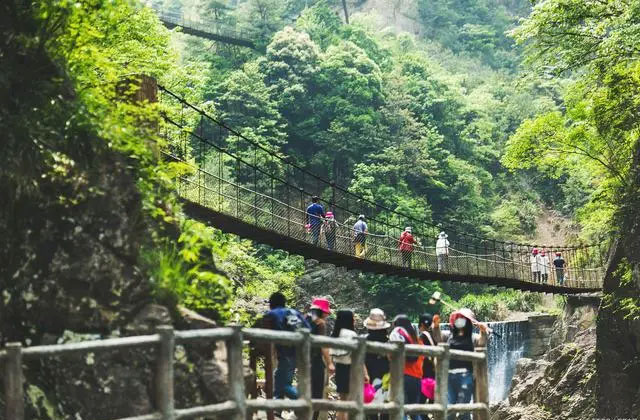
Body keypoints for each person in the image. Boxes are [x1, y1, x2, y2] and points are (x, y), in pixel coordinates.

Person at [432, 309, 490, 420]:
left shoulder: (473, 337)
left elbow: (482, 342)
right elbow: (437, 337)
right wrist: (435, 326)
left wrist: (483, 331)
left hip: (467, 375)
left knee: (463, 408)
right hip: (449, 375)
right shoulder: (448, 336)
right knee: (449, 407)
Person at [263, 292, 310, 403]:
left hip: (285, 352)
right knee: (282, 379)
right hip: (300, 352)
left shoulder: (272, 314)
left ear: (271, 303)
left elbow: (274, 331)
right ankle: (277, 408)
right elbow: (308, 329)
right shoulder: (295, 312)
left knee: (282, 384)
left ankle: (305, 401)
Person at [331, 310, 370, 420]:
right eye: (353, 318)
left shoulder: (335, 334)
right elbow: (357, 357)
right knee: (348, 403)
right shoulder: (351, 334)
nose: (354, 320)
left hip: (339, 368)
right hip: (350, 369)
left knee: (342, 401)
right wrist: (365, 373)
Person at [389, 315, 424, 420]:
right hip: (417, 378)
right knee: (414, 411)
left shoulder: (398, 336)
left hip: (403, 375)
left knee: (401, 408)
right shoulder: (418, 341)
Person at [307, 298, 335, 420]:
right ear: (322, 311)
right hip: (316, 361)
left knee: (306, 390)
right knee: (317, 393)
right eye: (326, 312)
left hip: (303, 361)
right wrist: (329, 363)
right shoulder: (320, 323)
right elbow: (323, 346)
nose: (327, 315)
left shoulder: (305, 319)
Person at [363, 308, 391, 420]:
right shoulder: (388, 342)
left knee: (371, 405)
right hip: (386, 376)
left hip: (369, 375)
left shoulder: (364, 341)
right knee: (385, 404)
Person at [417, 314, 437, 406]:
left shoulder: (422, 336)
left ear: (421, 325)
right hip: (435, 374)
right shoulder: (436, 335)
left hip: (425, 375)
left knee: (419, 406)